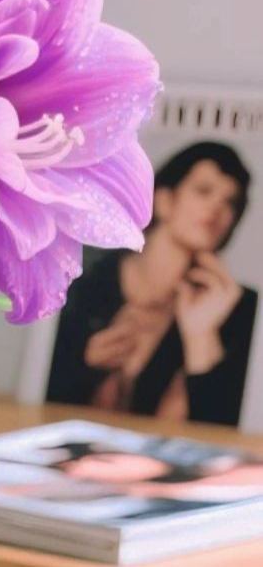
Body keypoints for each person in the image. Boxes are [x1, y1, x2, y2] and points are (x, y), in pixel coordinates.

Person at [47, 142, 257, 426]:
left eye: (230, 202)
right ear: (164, 200)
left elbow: (222, 428)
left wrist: (201, 337)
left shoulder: (240, 307)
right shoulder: (80, 282)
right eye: (204, 191)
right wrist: (86, 366)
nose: (217, 208)